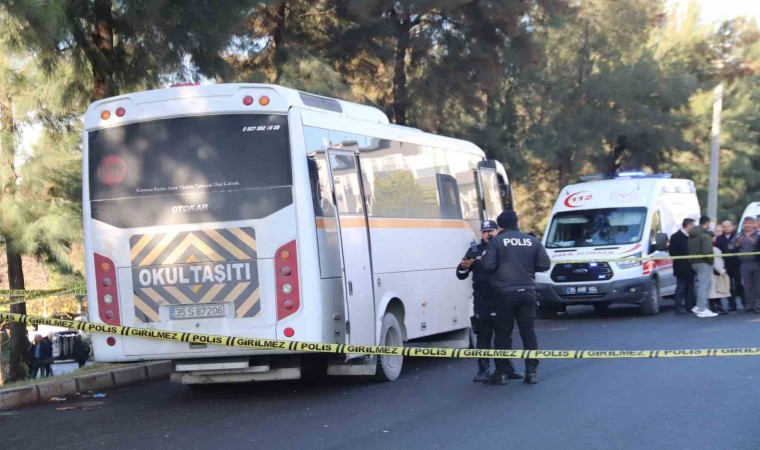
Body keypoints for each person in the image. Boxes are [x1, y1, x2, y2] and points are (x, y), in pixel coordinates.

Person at [480, 210, 551, 385]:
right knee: (528, 333)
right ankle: (531, 371)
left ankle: (502, 372)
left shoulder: (496, 241)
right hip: (527, 291)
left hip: (504, 293)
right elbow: (544, 264)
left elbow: (487, 265)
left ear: (500, 226)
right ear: (516, 222)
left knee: (503, 333)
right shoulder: (531, 240)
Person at [457, 219, 523, 382]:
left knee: (504, 335)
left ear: (497, 232)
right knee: (483, 335)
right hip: (482, 300)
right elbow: (460, 274)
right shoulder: (474, 250)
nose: (488, 234)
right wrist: (463, 267)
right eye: (485, 232)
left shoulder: (504, 249)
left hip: (502, 300)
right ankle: (483, 368)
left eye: (490, 231)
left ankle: (507, 367)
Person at [729, 217, 760, 313]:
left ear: (754, 224)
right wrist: (738, 244)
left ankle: (758, 305)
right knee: (747, 285)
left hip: (757, 263)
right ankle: (749, 305)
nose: (747, 225)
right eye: (746, 223)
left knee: (758, 285)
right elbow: (730, 246)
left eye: (750, 223)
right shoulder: (739, 235)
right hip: (744, 263)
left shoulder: (758, 235)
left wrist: (753, 241)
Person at [689, 216, 718, 317]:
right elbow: (707, 252)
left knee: (704, 284)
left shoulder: (693, 235)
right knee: (703, 285)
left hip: (694, 262)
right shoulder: (705, 236)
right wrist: (711, 261)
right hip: (704, 262)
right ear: (707, 223)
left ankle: (699, 306)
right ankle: (702, 309)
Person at [670, 218, 696, 315]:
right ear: (688, 225)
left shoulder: (691, 237)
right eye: (693, 225)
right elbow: (672, 252)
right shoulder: (676, 237)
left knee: (690, 287)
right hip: (681, 266)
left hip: (691, 266)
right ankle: (678, 307)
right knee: (680, 287)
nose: (694, 228)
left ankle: (689, 307)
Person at [715, 220, 742, 311]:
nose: (726, 228)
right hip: (726, 264)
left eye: (728, 226)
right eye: (724, 226)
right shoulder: (719, 239)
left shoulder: (738, 236)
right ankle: (732, 304)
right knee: (728, 285)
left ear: (732, 226)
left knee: (739, 284)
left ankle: (744, 303)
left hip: (737, 263)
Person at [708, 242, 730, 315]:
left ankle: (713, 307)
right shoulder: (715, 250)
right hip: (716, 272)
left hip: (709, 272)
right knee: (717, 291)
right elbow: (716, 261)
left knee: (712, 292)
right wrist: (722, 271)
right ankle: (718, 307)